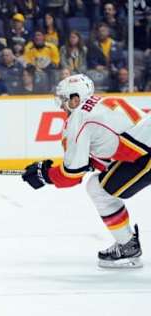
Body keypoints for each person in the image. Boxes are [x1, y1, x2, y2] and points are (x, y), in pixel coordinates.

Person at [22, 74, 151, 269]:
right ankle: (127, 245)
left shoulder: (79, 118)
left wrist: (44, 174)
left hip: (147, 155)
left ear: (75, 99)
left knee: (98, 189)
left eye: (64, 100)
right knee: (101, 185)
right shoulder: (104, 102)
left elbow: (72, 175)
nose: (61, 106)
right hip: (145, 152)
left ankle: (127, 246)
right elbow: (119, 145)